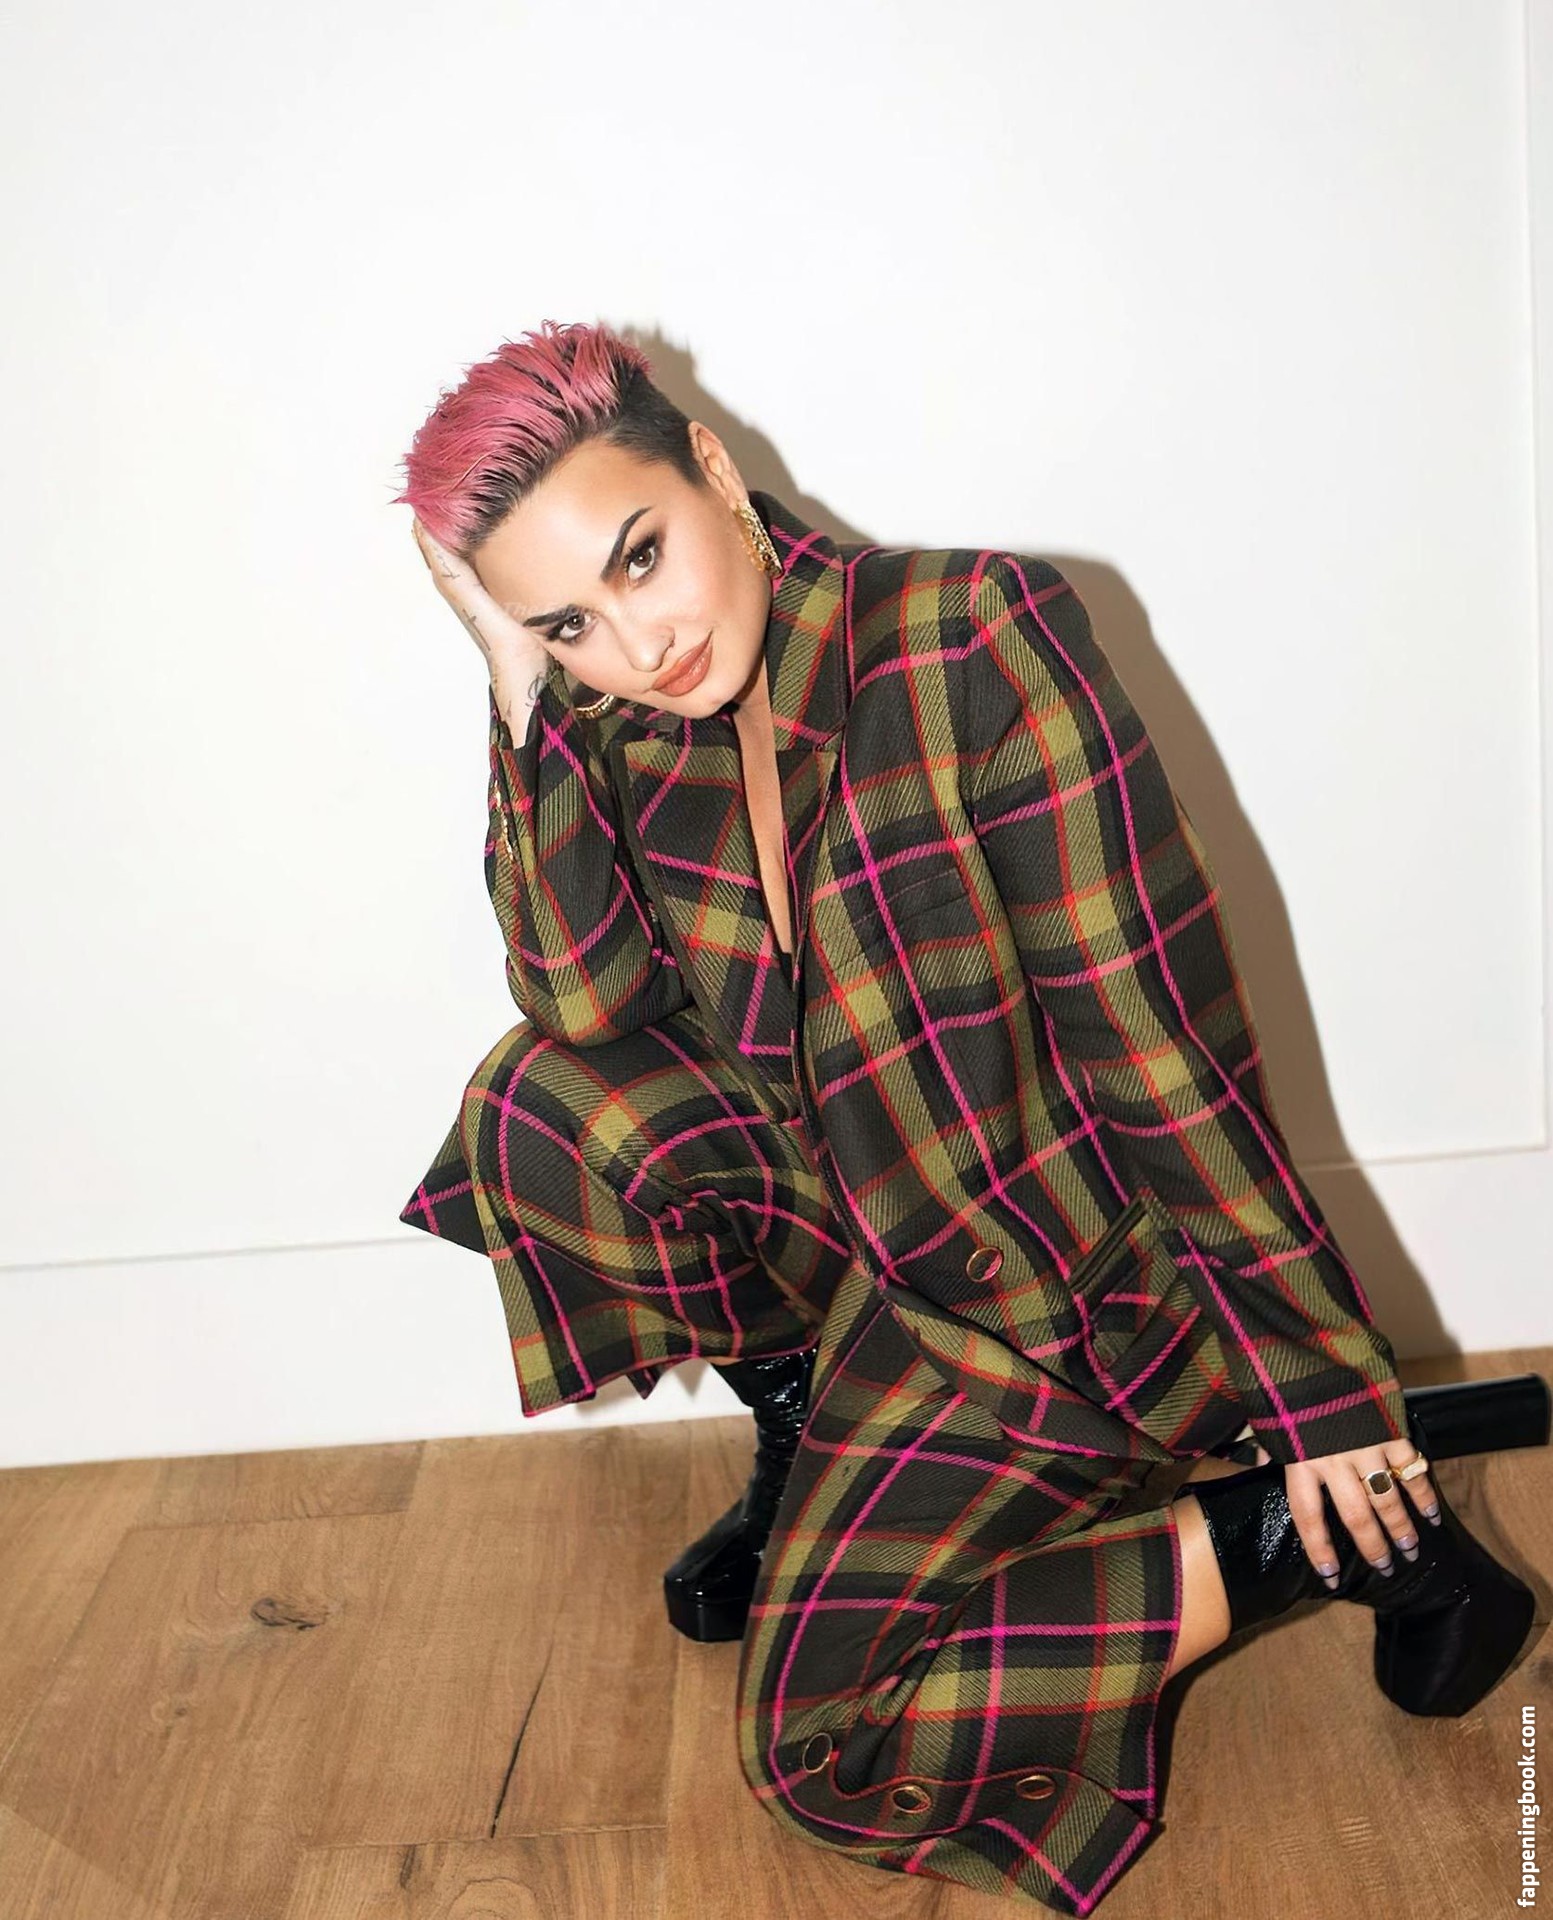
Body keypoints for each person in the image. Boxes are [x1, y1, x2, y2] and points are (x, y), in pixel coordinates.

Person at [393, 319, 1549, 1915]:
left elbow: (1159, 1051)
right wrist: (519, 695)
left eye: (641, 557)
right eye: (571, 621)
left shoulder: (966, 637)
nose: (638, 642)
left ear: (712, 468)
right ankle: (810, 1443)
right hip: (879, 1237)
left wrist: (1323, 1395)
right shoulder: (619, 719)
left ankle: (1333, 1538)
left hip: (1066, 1281)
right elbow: (580, 1000)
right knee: (539, 1105)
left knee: (824, 1751)